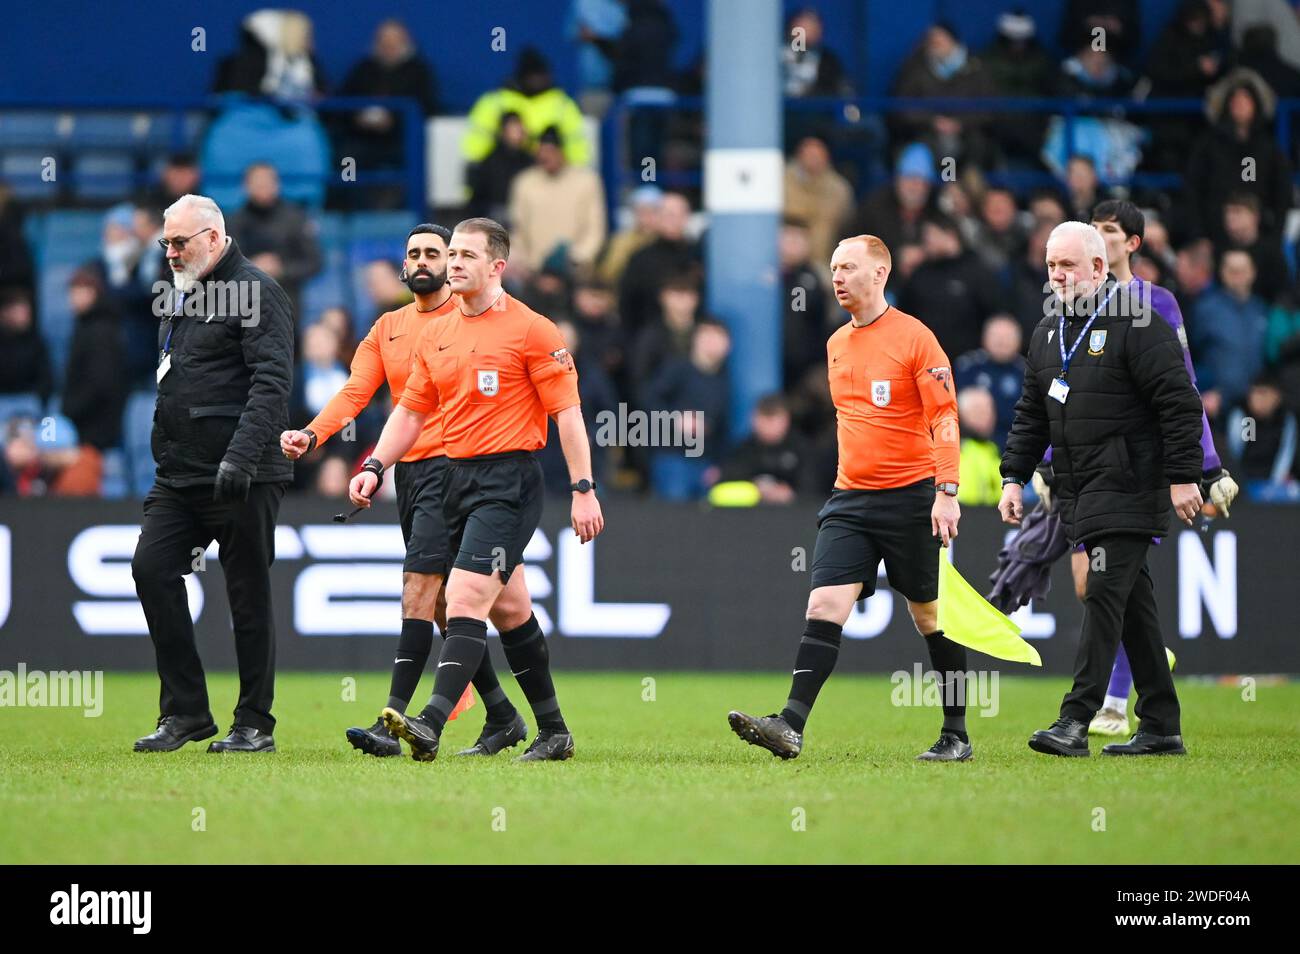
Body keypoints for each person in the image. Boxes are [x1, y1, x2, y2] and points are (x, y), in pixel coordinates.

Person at [347, 217, 604, 763]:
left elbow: (569, 415)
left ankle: (430, 722)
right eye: (452, 254)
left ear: (497, 267)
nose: (454, 263)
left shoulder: (534, 330)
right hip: (453, 479)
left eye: (466, 255)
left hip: (507, 481)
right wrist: (374, 464)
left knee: (460, 597)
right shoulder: (438, 333)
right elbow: (410, 413)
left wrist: (584, 488)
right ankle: (552, 731)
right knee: (509, 611)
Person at [281, 224, 528, 757]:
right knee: (451, 606)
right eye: (413, 252)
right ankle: (506, 715)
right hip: (412, 474)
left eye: (434, 253)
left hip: (457, 469)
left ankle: (391, 722)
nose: (421, 260)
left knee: (423, 592)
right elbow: (355, 392)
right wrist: (313, 434)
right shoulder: (387, 327)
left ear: (453, 263)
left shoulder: (471, 322)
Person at [728, 234, 967, 762]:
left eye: (848, 267)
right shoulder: (837, 343)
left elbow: (945, 416)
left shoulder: (916, 339)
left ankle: (956, 733)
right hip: (851, 499)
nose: (837, 277)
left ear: (880, 274)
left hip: (911, 497)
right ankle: (790, 724)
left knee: (928, 616)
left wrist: (946, 491)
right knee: (824, 603)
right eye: (833, 267)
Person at [999, 221, 1204, 758]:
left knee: (1102, 593)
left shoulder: (1139, 322)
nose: (1058, 275)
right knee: (1132, 605)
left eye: (1068, 265)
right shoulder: (1048, 332)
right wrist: (1013, 476)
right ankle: (1161, 724)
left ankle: (1075, 719)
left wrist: (1185, 475)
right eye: (1050, 266)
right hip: (1080, 491)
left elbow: (1179, 402)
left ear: (1097, 267)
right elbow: (1030, 417)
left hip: (1132, 486)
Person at [131, 194, 294, 754]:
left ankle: (254, 723)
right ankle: (186, 714)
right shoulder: (180, 295)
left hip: (242, 473)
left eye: (181, 242)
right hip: (180, 475)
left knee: (246, 594)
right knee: (151, 569)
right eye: (166, 243)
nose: (172, 253)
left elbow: (271, 383)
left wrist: (241, 457)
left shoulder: (257, 291)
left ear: (215, 237)